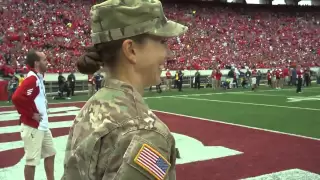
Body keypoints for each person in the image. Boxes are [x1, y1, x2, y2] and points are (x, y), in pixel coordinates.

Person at [61, 0, 187, 180]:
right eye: (161, 41)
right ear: (131, 50)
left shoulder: (94, 105)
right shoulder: (145, 132)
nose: (168, 53)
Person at [11, 50, 55, 180]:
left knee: (51, 153)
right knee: (32, 161)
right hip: (33, 126)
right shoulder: (31, 79)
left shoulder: (37, 77)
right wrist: (31, 114)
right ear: (36, 63)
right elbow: (16, 97)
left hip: (42, 126)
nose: (47, 63)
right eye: (44, 60)